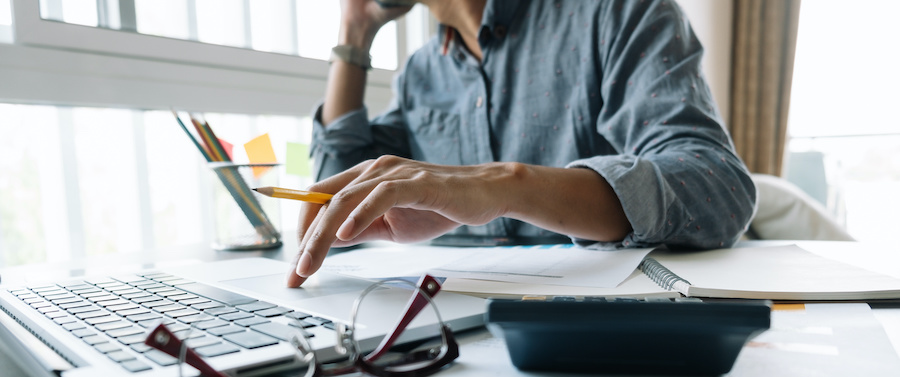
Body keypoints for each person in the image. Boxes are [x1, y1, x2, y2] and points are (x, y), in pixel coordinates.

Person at [287, 0, 757, 287]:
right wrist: (354, 32)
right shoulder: (420, 75)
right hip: (452, 336)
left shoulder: (618, 11)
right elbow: (332, 211)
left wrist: (508, 185)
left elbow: (718, 186)